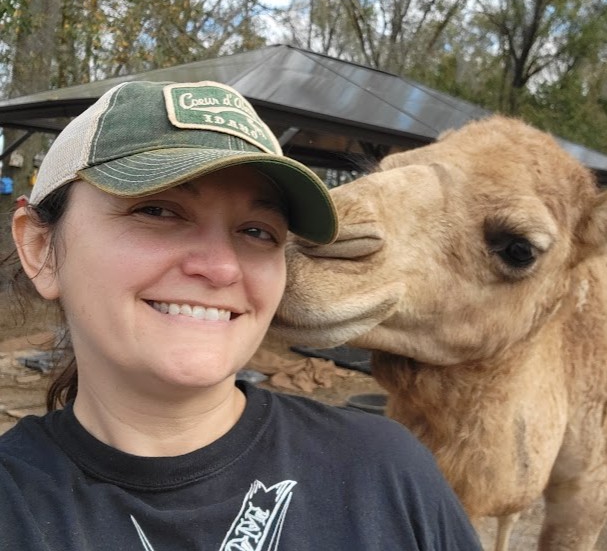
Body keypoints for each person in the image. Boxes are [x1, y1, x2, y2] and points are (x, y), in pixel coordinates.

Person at [0, 80, 482, 550]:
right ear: (40, 247)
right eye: (158, 210)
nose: (221, 267)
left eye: (257, 231)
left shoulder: (386, 471)